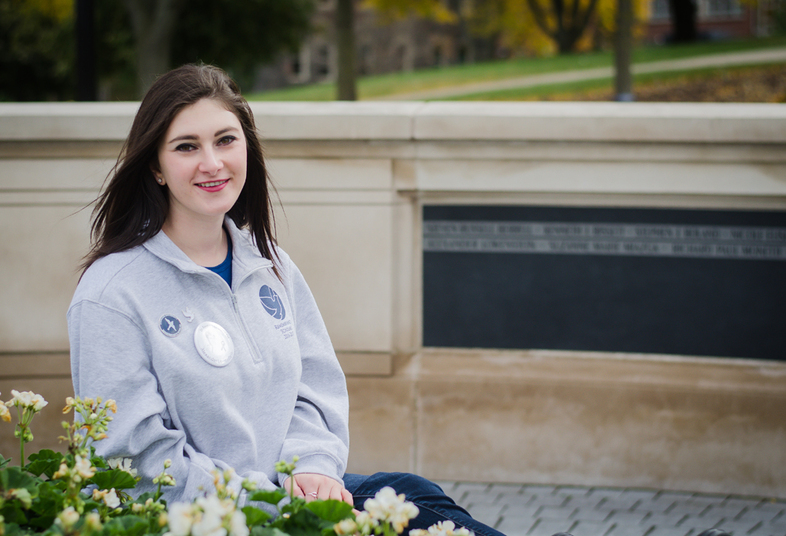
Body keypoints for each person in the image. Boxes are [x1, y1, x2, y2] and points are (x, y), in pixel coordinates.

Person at [68, 64, 506, 536]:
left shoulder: (269, 263)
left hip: (290, 497)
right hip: (209, 520)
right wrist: (279, 508)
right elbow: (137, 461)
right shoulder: (112, 293)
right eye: (186, 147)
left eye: (226, 140)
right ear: (155, 166)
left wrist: (314, 466)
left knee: (413, 494)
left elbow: (314, 386)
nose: (212, 163)